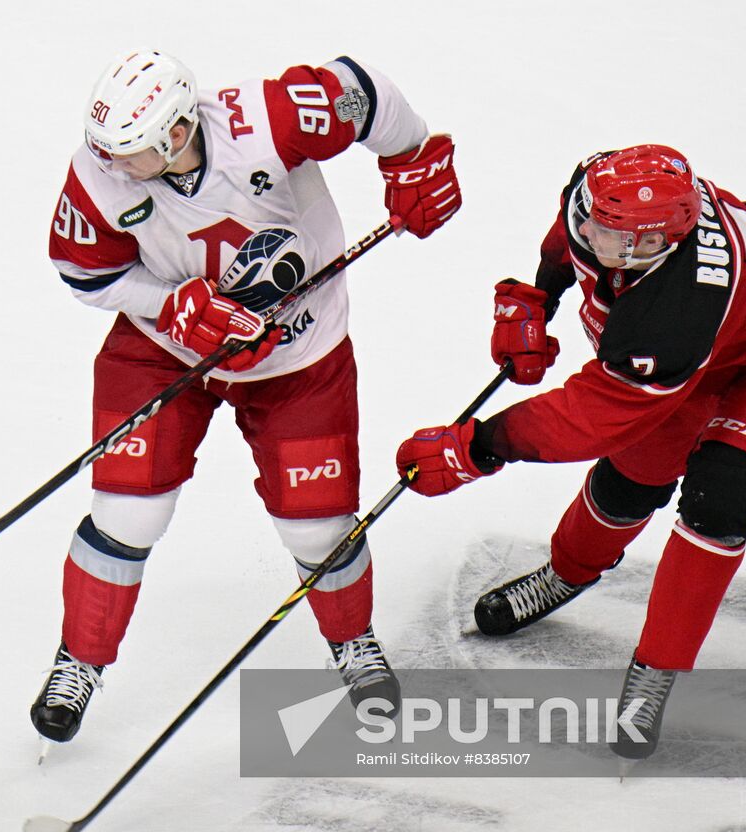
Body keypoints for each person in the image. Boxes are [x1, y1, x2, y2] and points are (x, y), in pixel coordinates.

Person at [32, 48, 461, 745]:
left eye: (129, 150)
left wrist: (414, 156)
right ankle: (78, 660)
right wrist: (169, 304)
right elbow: (84, 273)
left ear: (175, 134)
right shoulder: (97, 173)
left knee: (316, 528)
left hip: (300, 354)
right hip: (164, 350)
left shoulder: (265, 120)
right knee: (127, 511)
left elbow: (363, 92)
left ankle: (353, 642)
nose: (109, 163)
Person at [394, 144, 746, 759]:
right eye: (595, 223)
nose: (595, 239)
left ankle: (656, 674)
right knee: (632, 477)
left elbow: (591, 417)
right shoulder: (609, 190)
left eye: (620, 242)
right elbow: (571, 232)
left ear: (660, 244)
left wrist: (479, 446)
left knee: (719, 496)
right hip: (726, 334)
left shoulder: (675, 310)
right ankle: (566, 573)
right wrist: (539, 297)